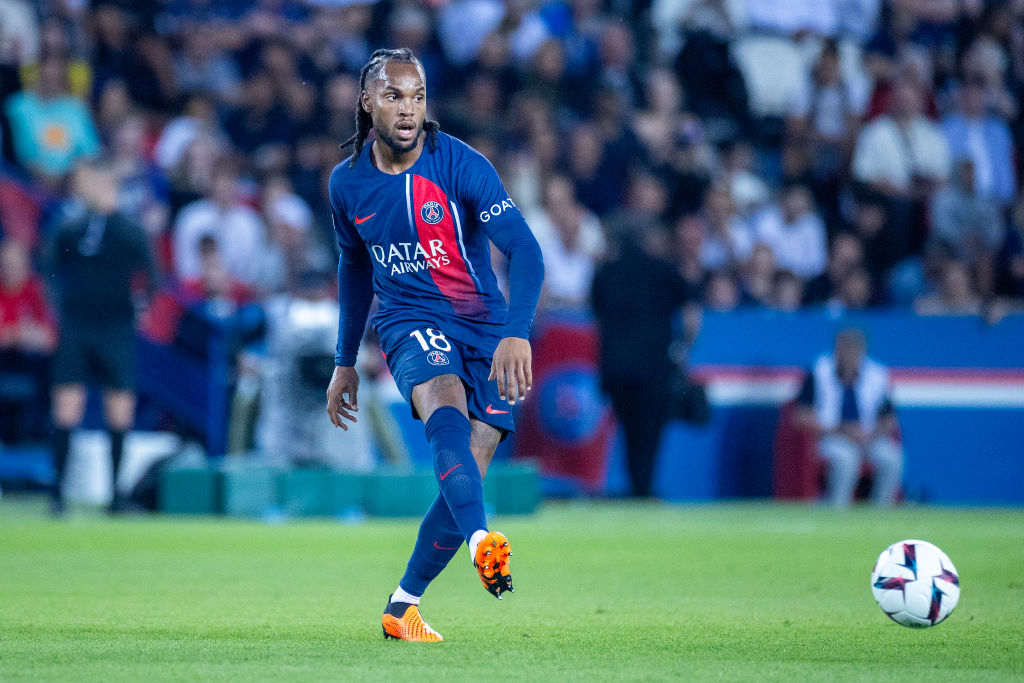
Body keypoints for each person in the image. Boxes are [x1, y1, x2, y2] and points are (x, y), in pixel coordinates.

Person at [324, 49, 543, 642]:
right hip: (406, 321)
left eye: (417, 96)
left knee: (467, 468)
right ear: (367, 101)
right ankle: (482, 542)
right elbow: (353, 269)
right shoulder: (346, 185)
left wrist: (516, 332)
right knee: (442, 406)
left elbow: (524, 250)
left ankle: (402, 607)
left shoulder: (461, 165)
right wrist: (345, 361)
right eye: (394, 96)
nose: (408, 109)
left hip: (483, 325)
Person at [46, 160, 156, 515]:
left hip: (116, 329)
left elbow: (153, 275)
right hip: (77, 326)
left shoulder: (129, 230)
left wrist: (139, 311)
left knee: (119, 410)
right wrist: (60, 310)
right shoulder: (72, 227)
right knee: (66, 408)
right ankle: (58, 493)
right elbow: (47, 266)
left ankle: (114, 495)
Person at [591, 227, 692, 498]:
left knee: (628, 429)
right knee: (650, 430)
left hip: (616, 366)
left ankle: (636, 486)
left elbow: (597, 315)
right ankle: (643, 487)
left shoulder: (605, 273)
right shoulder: (664, 270)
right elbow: (692, 312)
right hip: (654, 366)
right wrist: (683, 347)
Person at [794, 328, 902, 508]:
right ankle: (839, 511)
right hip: (831, 437)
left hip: (869, 438)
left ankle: (881, 513)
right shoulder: (819, 371)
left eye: (853, 349)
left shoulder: (877, 375)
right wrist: (841, 430)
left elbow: (889, 419)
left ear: (862, 351)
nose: (847, 355)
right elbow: (801, 416)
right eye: (843, 348)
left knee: (892, 457)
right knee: (846, 458)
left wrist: (871, 435)